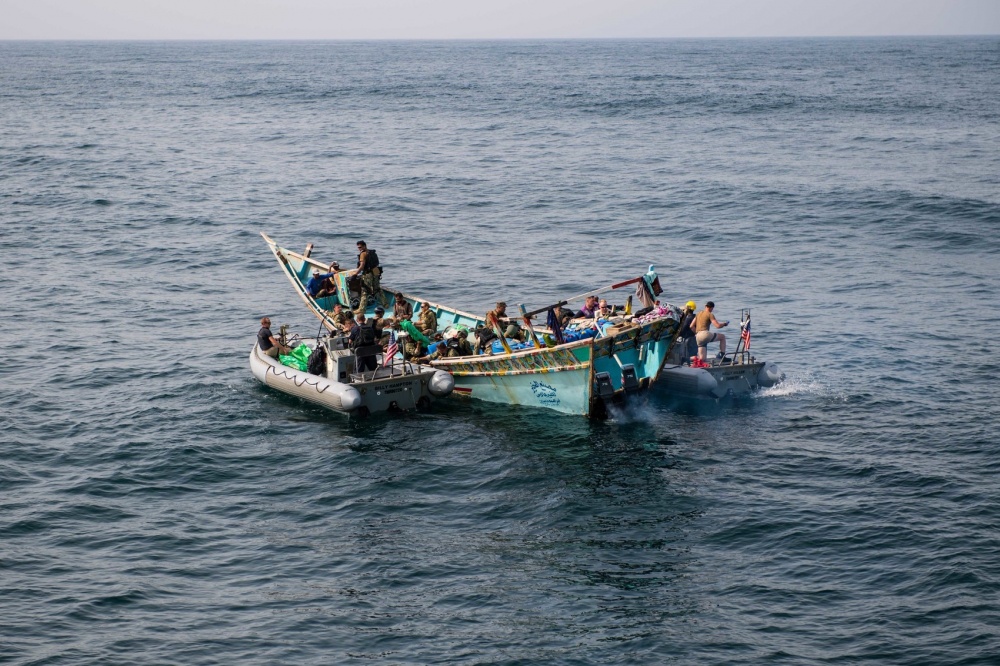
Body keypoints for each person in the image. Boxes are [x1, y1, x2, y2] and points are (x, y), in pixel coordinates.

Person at [355, 240, 388, 312]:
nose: (359, 249)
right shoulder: (372, 252)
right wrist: (377, 274)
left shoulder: (363, 254)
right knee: (377, 289)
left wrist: (355, 274)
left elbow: (362, 266)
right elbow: (376, 264)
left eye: (360, 247)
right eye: (358, 247)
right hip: (376, 271)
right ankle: (385, 304)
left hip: (368, 274)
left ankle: (361, 309)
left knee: (365, 291)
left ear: (364, 246)